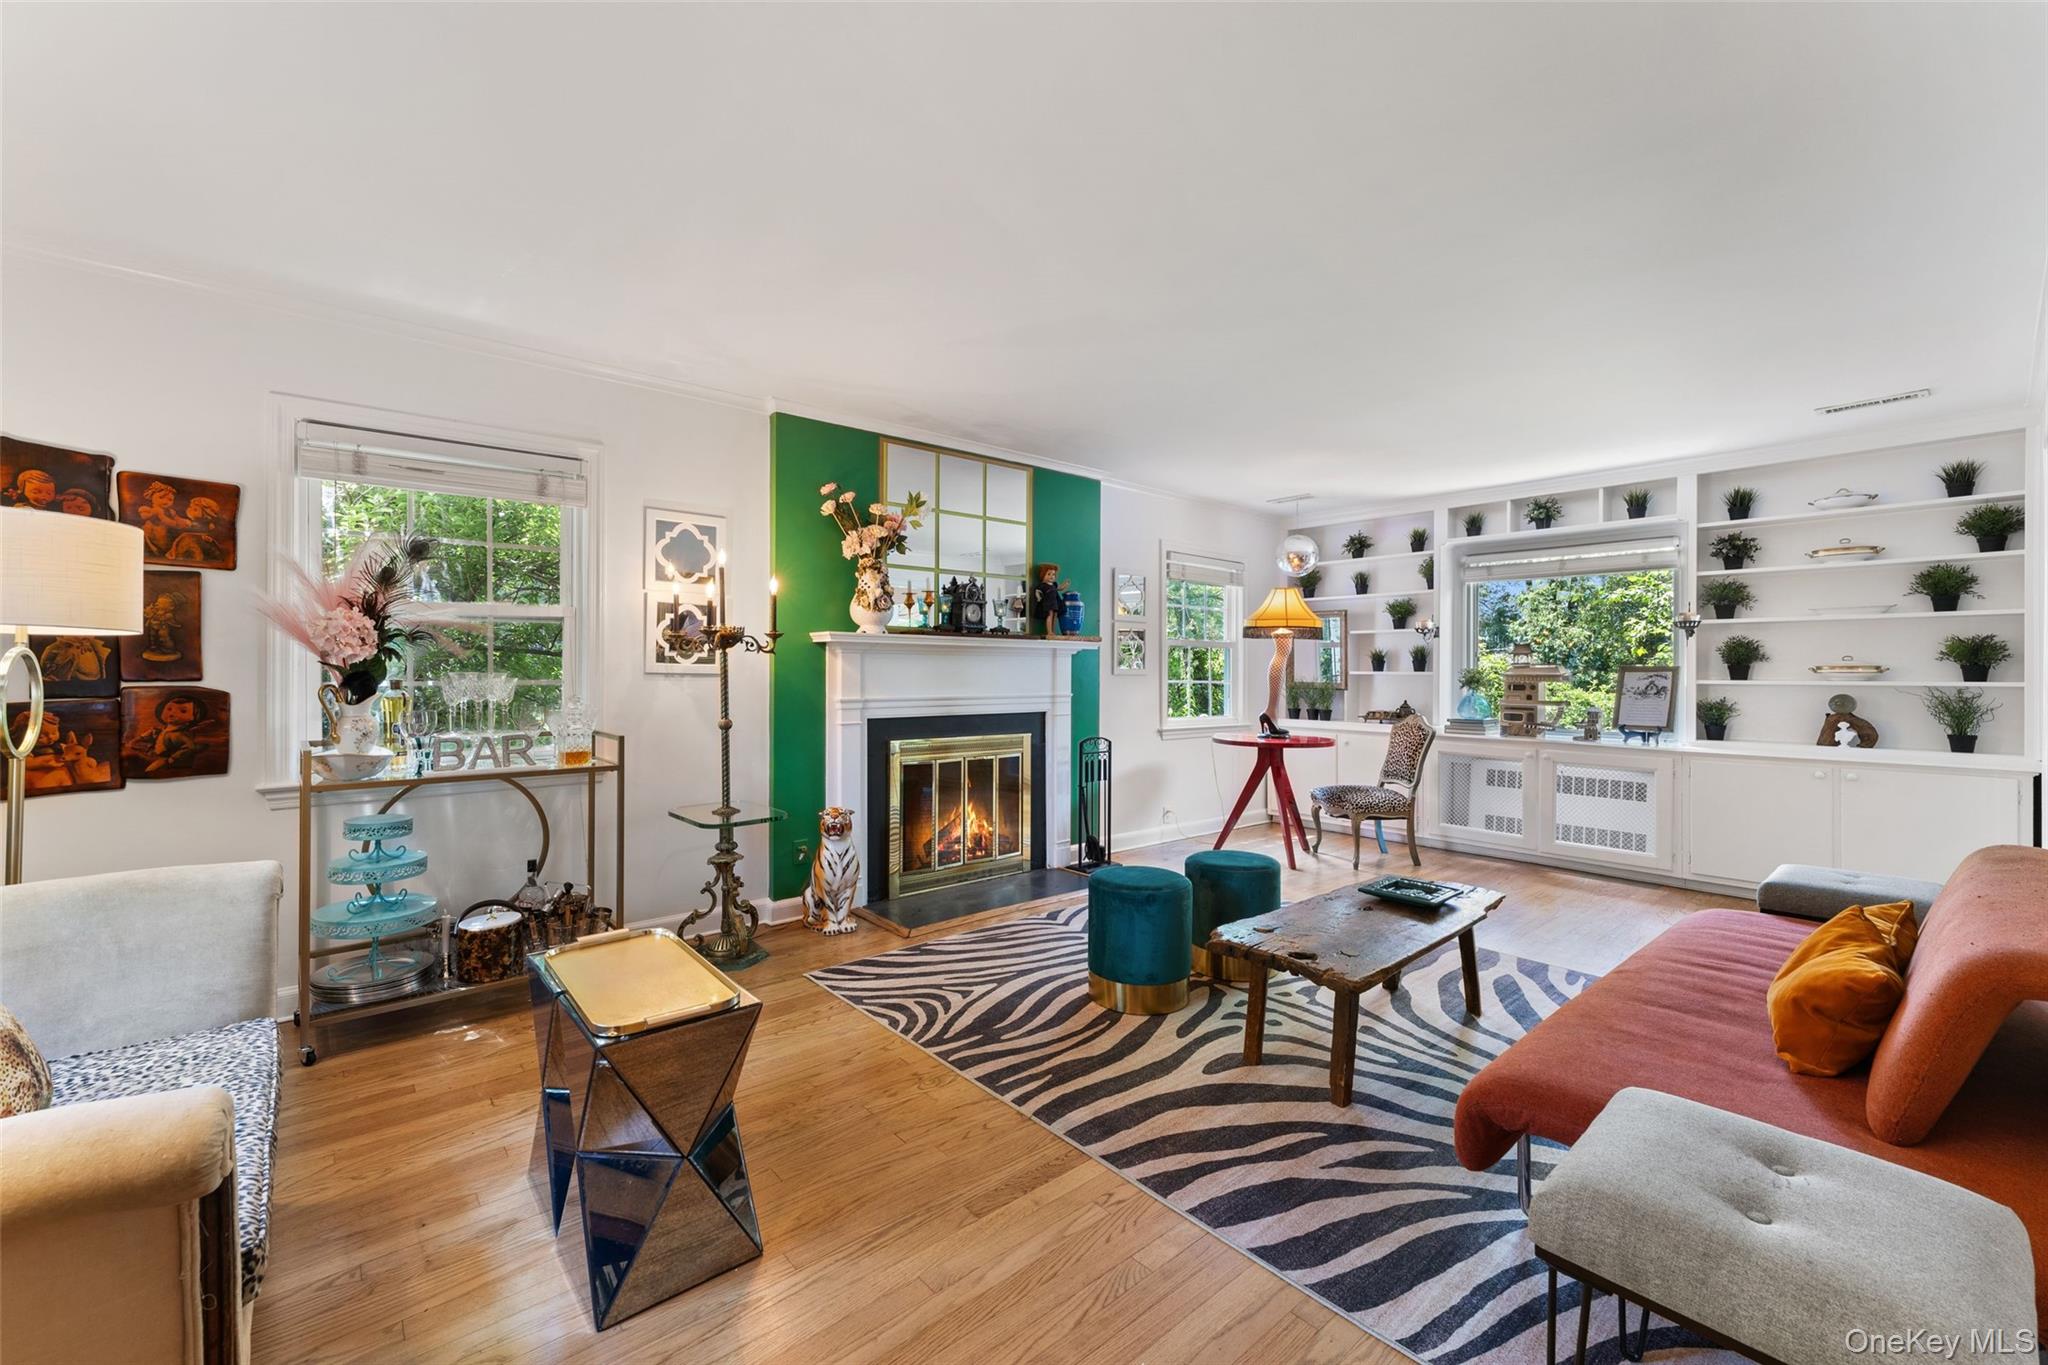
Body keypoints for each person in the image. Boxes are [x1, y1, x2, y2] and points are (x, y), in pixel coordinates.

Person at [129, 691, 212, 774]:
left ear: (193, 717)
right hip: (155, 754)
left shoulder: (179, 735)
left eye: (183, 711)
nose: (172, 713)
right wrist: (143, 737)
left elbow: (189, 747)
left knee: (150, 771)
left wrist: (171, 759)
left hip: (167, 761)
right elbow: (156, 738)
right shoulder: (164, 730)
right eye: (169, 709)